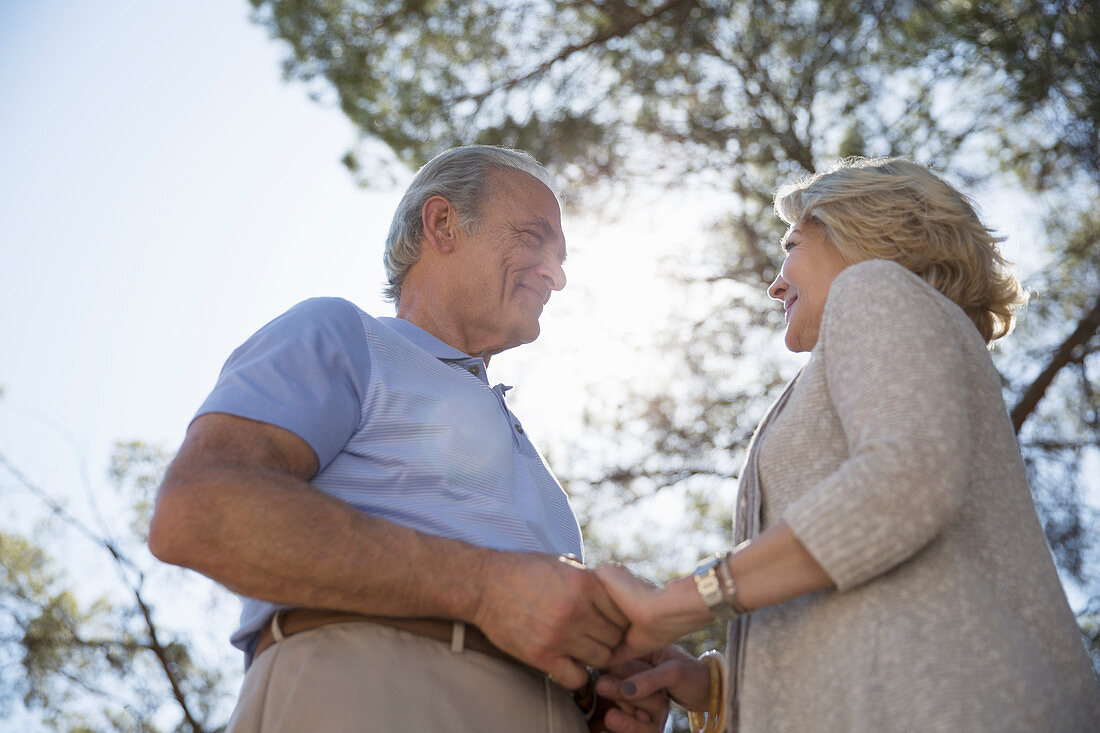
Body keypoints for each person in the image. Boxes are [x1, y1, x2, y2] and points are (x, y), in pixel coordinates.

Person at [147, 145, 667, 733]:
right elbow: (199, 511)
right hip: (369, 693)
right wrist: (483, 588)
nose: (557, 274)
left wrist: (603, 691)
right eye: (533, 237)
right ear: (442, 224)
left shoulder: (539, 471)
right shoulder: (343, 334)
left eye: (561, 255)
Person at [592, 157, 1100, 731]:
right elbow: (874, 609)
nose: (775, 282)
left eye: (792, 245)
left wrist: (681, 602)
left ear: (863, 230)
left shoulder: (876, 283)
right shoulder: (897, 340)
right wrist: (716, 691)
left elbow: (903, 483)